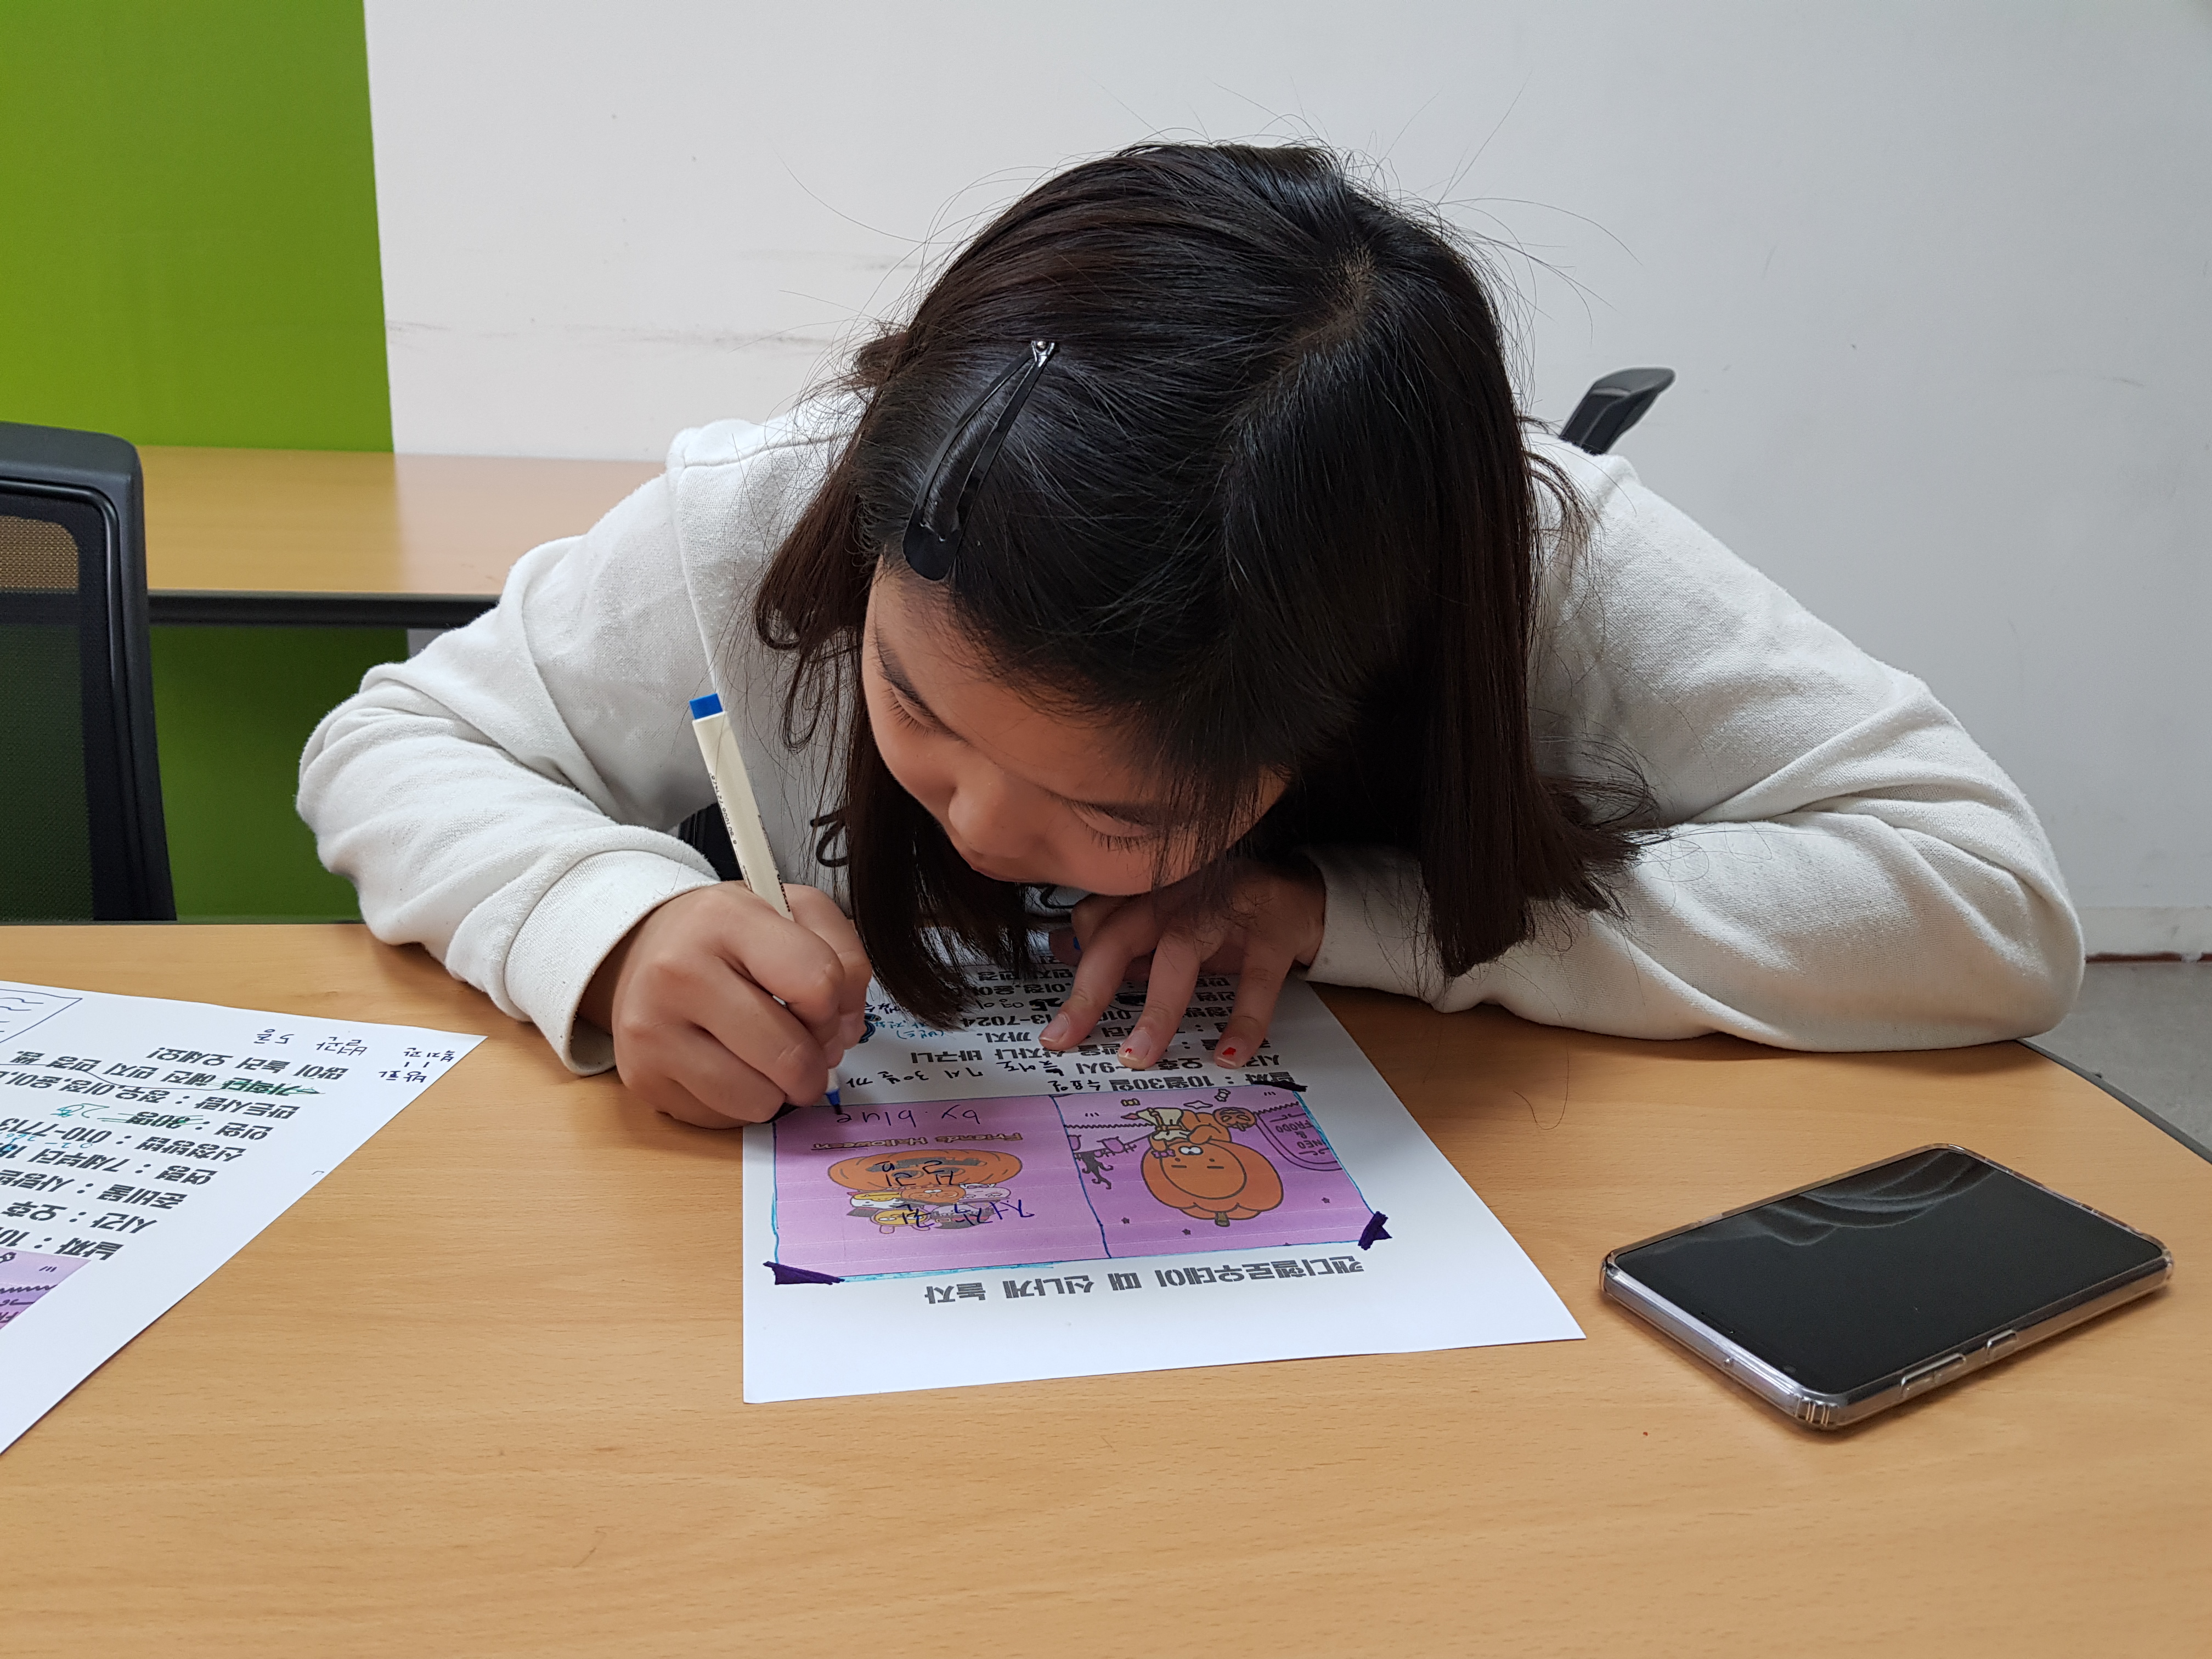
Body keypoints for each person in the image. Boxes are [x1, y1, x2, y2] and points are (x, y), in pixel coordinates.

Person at [299, 143, 2081, 1130]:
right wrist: (609, 925)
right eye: (917, 706)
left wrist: (1347, 909)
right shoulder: (767, 514)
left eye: (1120, 813)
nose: (985, 827)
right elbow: (393, 738)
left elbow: (1983, 902)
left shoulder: (1534, 565)